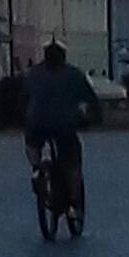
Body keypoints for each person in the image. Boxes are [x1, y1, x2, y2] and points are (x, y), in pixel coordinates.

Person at [22, 41, 97, 204]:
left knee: (31, 144)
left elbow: (22, 98)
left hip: (37, 123)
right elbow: (91, 100)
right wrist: (93, 118)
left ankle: (36, 168)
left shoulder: (33, 74)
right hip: (65, 125)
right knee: (72, 163)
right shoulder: (74, 74)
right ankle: (73, 203)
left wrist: (21, 117)